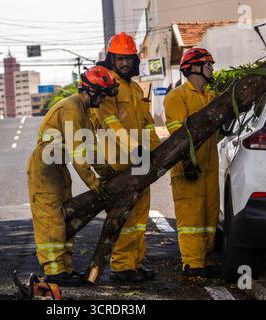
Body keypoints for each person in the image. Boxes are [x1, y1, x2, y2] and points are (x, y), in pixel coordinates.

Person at [27, 66, 119, 286]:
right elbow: (79, 153)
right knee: (51, 220)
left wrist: (107, 173)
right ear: (92, 90)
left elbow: (91, 147)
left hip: (57, 168)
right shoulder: (72, 108)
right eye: (103, 93)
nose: (104, 98)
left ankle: (65, 269)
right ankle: (54, 271)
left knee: (64, 218)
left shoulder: (83, 111)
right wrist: (95, 182)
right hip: (45, 169)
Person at [91, 32, 161, 283]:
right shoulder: (107, 84)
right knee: (124, 215)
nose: (124, 63)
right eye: (119, 59)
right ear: (111, 58)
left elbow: (147, 122)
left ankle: (135, 263)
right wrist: (134, 148)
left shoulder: (133, 87)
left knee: (140, 215)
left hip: (139, 157)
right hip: (119, 161)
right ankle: (121, 267)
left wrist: (156, 150)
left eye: (128, 59)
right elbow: (109, 122)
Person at [164, 48, 220, 277]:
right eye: (208, 64)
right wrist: (187, 160)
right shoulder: (177, 97)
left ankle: (204, 259)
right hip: (187, 167)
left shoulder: (212, 96)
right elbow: (177, 134)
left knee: (209, 217)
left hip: (209, 167)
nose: (211, 68)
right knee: (191, 217)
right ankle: (192, 262)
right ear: (195, 68)